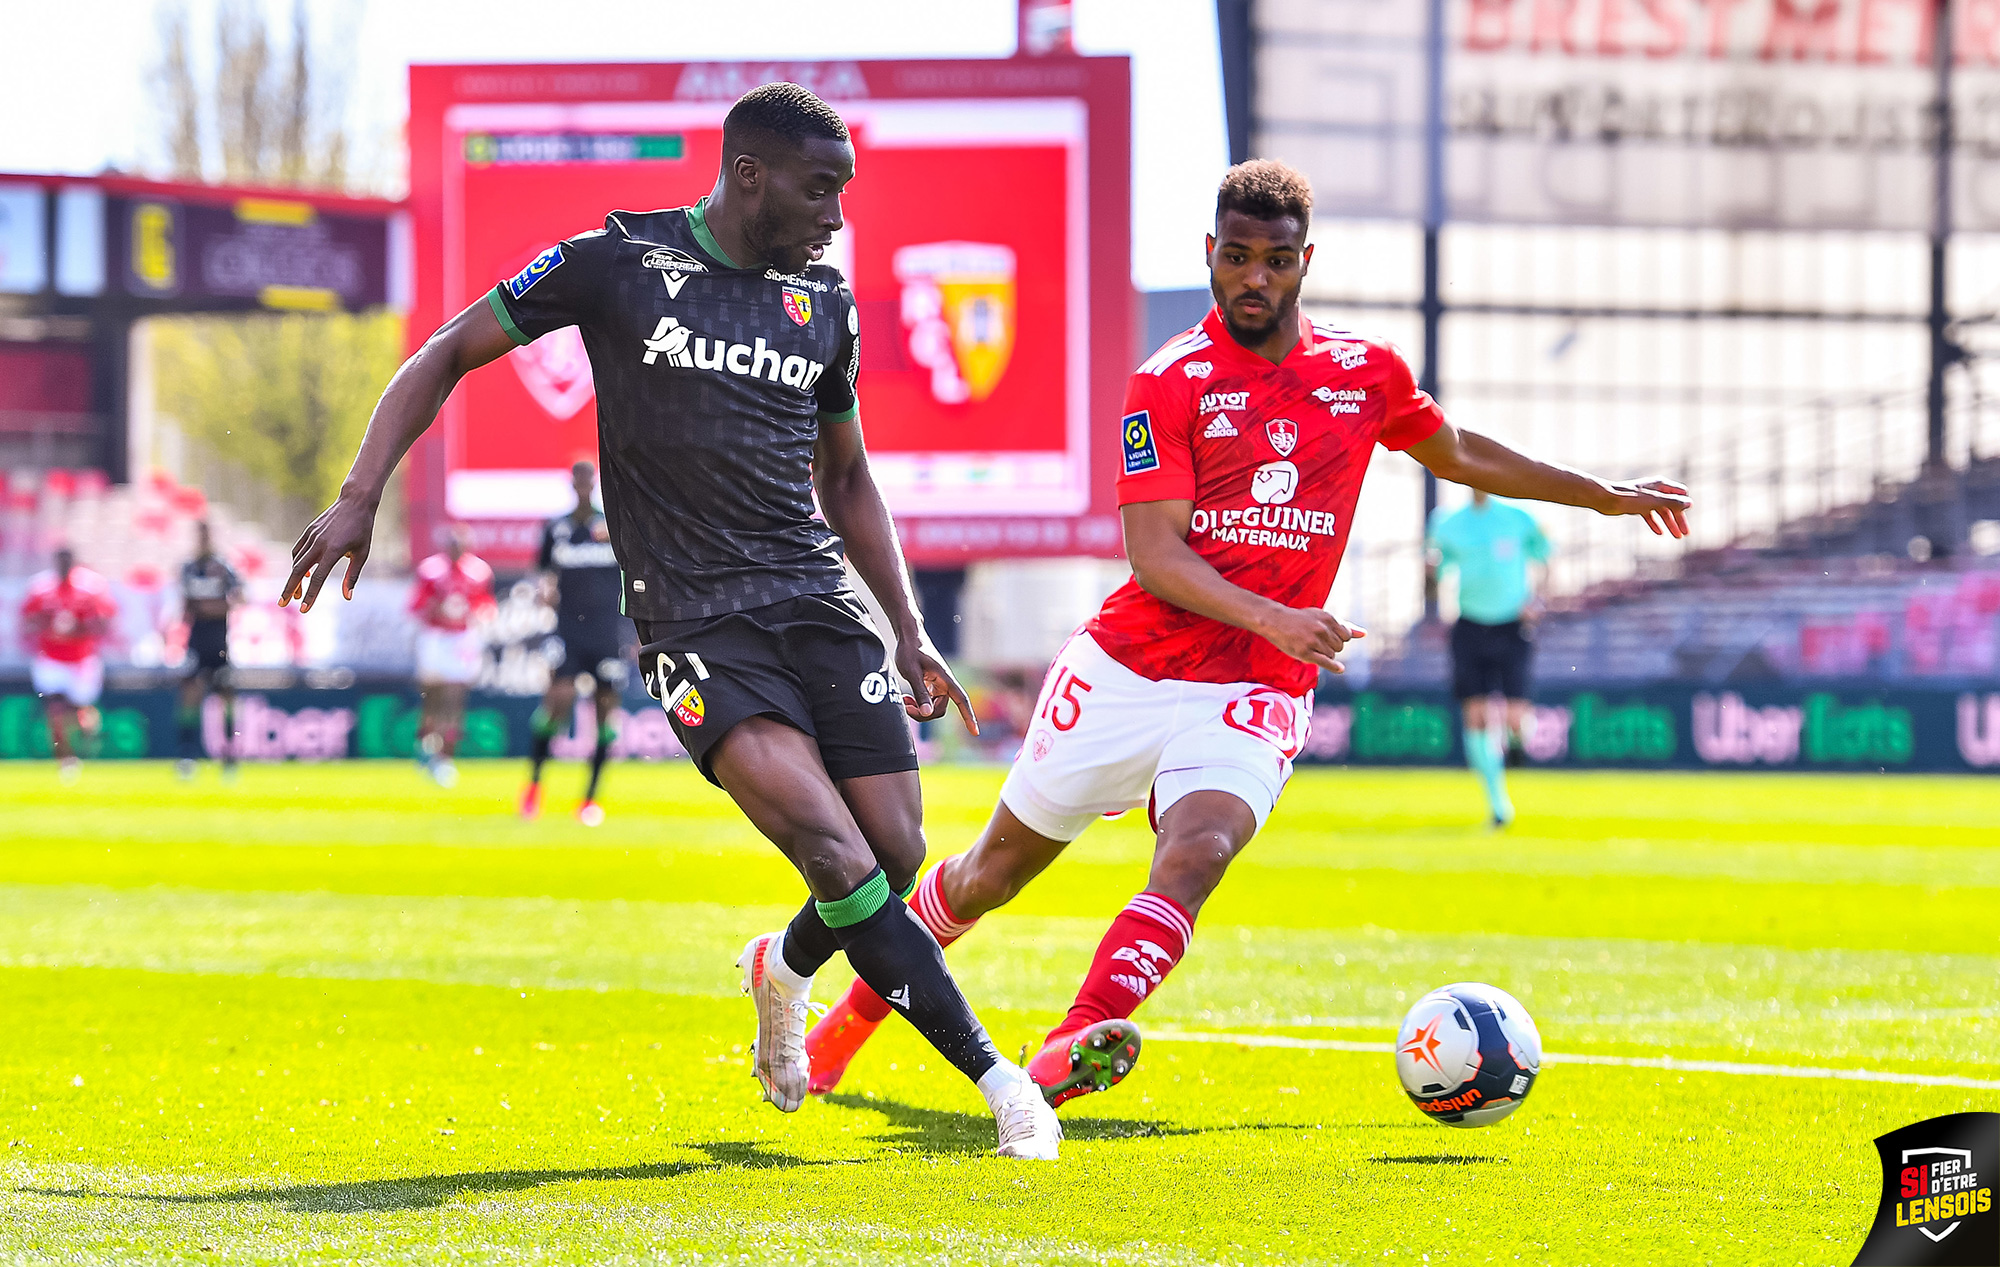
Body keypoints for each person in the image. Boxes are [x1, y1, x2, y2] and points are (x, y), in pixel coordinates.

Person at [282, 83, 1061, 1159]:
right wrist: (361, 495)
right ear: (748, 174)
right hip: (696, 626)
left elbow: (848, 481)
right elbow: (446, 351)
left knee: (892, 847)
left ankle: (780, 967)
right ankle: (1001, 1081)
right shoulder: (616, 264)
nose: (835, 214)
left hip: (819, 607)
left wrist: (911, 629)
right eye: (818, 187)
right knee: (838, 859)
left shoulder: (819, 304)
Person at [806, 159, 1692, 1106]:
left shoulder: (1365, 374)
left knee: (1199, 852)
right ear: (1210, 256)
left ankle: (1074, 1038)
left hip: (1258, 683)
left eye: (1274, 260)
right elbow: (1154, 556)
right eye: (1236, 257)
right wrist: (1278, 613)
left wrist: (1603, 494)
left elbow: (1461, 449)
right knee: (990, 874)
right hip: (1129, 668)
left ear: (1305, 261)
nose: (1254, 278)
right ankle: (847, 1021)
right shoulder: (1170, 379)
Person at [1428, 489, 1551, 826]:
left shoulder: (1519, 517)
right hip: (1469, 625)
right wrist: (1430, 572)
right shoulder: (1447, 523)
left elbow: (1545, 557)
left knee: (1515, 718)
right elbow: (1436, 575)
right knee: (1477, 717)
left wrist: (1538, 600)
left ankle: (1516, 744)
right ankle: (1498, 805)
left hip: (1512, 625)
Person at [522, 459, 630, 825]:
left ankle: (589, 799)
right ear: (571, 484)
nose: (583, 485)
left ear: (594, 483)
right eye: (578, 480)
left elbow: (632, 572)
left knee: (604, 711)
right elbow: (541, 575)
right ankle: (534, 788)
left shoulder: (611, 525)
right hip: (568, 628)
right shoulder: (556, 528)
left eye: (588, 480)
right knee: (559, 702)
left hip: (606, 631)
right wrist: (543, 590)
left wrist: (632, 632)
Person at [21, 546, 119, 783]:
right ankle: (65, 760)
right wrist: (49, 626)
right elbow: (28, 622)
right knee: (55, 710)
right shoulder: (41, 588)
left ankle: (87, 725)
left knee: (78, 714)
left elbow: (104, 624)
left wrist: (78, 629)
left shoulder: (91, 588)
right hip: (52, 659)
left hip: (82, 661)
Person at [409, 524, 496, 788]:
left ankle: (445, 756)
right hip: (436, 637)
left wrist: (476, 614)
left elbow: (486, 605)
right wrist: (435, 608)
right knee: (432, 697)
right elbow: (416, 606)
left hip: (461, 637)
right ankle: (426, 744)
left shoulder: (478, 572)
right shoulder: (431, 571)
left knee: (455, 695)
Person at [175, 521, 243, 780]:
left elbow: (238, 599)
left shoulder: (224, 567)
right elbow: (185, 607)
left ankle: (230, 758)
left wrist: (209, 609)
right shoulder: (188, 568)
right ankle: (187, 756)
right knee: (189, 699)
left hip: (219, 644)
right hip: (196, 643)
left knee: (226, 699)